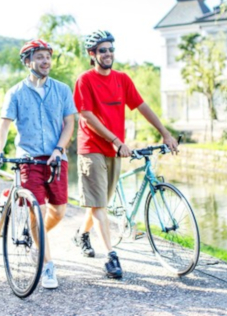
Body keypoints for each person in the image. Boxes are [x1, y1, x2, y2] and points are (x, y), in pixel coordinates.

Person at [72, 30, 179, 279]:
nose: (108, 54)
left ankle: (82, 234)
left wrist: (165, 133)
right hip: (92, 149)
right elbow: (86, 116)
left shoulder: (122, 79)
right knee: (99, 204)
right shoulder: (84, 80)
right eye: (102, 50)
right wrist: (117, 140)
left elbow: (142, 106)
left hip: (115, 149)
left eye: (110, 49)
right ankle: (111, 257)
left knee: (99, 202)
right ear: (92, 54)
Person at [0, 39, 77, 289]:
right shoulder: (15, 92)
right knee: (36, 212)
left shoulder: (62, 90)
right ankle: (47, 266)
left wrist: (59, 149)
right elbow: (4, 124)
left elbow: (69, 123)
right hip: (28, 160)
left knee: (59, 211)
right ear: (28, 61)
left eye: (48, 56)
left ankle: (37, 236)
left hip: (56, 159)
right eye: (39, 57)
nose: (46, 61)